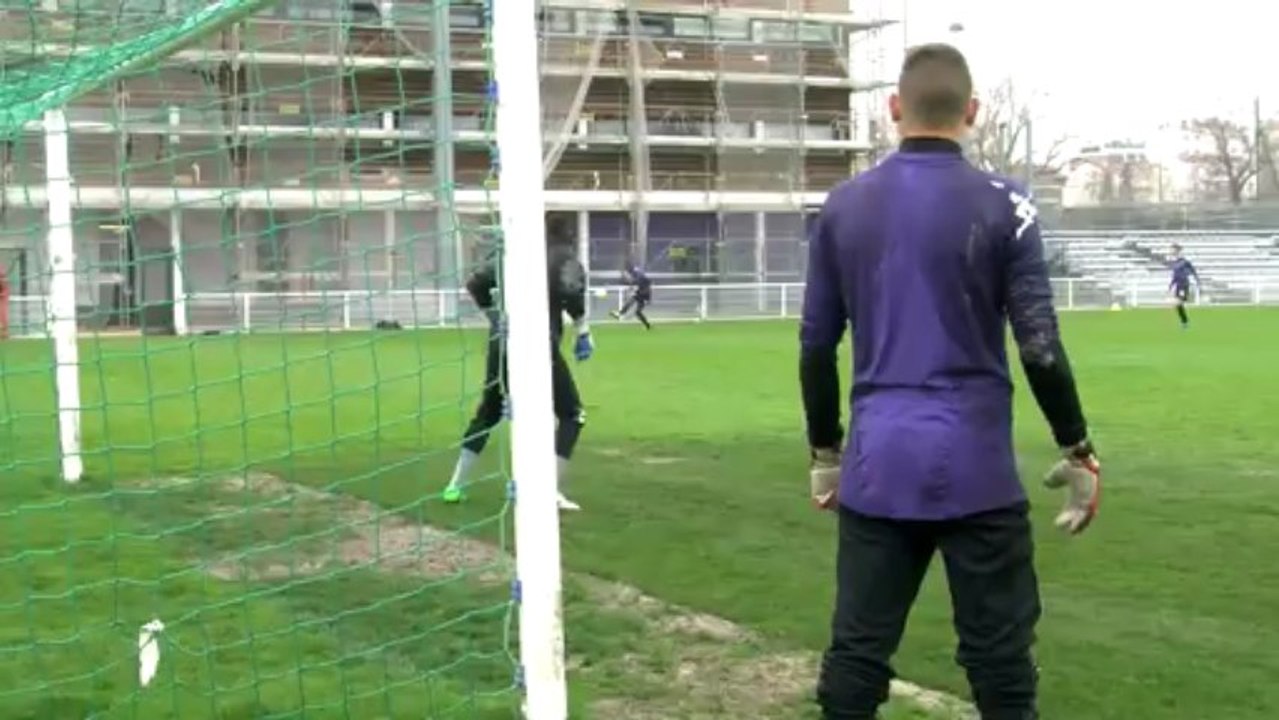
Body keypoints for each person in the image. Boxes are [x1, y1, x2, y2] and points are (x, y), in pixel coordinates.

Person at [798, 43, 1102, 720]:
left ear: (892, 109)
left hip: (878, 463)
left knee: (856, 653)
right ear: (971, 113)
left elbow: (816, 346)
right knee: (998, 662)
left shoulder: (842, 206)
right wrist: (1076, 446)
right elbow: (1039, 345)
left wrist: (824, 455)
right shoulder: (1008, 205)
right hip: (976, 467)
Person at [442, 212, 595, 512]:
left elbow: (476, 284)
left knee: (489, 412)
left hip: (501, 344)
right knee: (571, 414)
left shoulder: (513, 252)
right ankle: (546, 490)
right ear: (569, 234)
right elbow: (574, 295)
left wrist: (496, 317)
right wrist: (583, 332)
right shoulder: (565, 257)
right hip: (539, 346)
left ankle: (454, 485)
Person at [1167, 243, 1200, 329]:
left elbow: (1193, 271)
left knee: (1178, 303)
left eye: (1172, 249)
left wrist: (1196, 280)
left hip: (1184, 285)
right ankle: (1185, 322)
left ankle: (1185, 322)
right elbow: (1175, 276)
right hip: (1178, 285)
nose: (1171, 251)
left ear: (1177, 250)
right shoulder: (1174, 262)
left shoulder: (1185, 262)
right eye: (1171, 249)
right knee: (1177, 305)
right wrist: (1171, 285)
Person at [610, 263, 652, 329]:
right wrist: (631, 285)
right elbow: (635, 282)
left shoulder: (638, 274)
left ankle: (620, 313)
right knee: (635, 307)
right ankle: (647, 325)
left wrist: (630, 284)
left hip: (644, 294)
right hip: (641, 292)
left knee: (636, 309)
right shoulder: (637, 273)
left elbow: (638, 281)